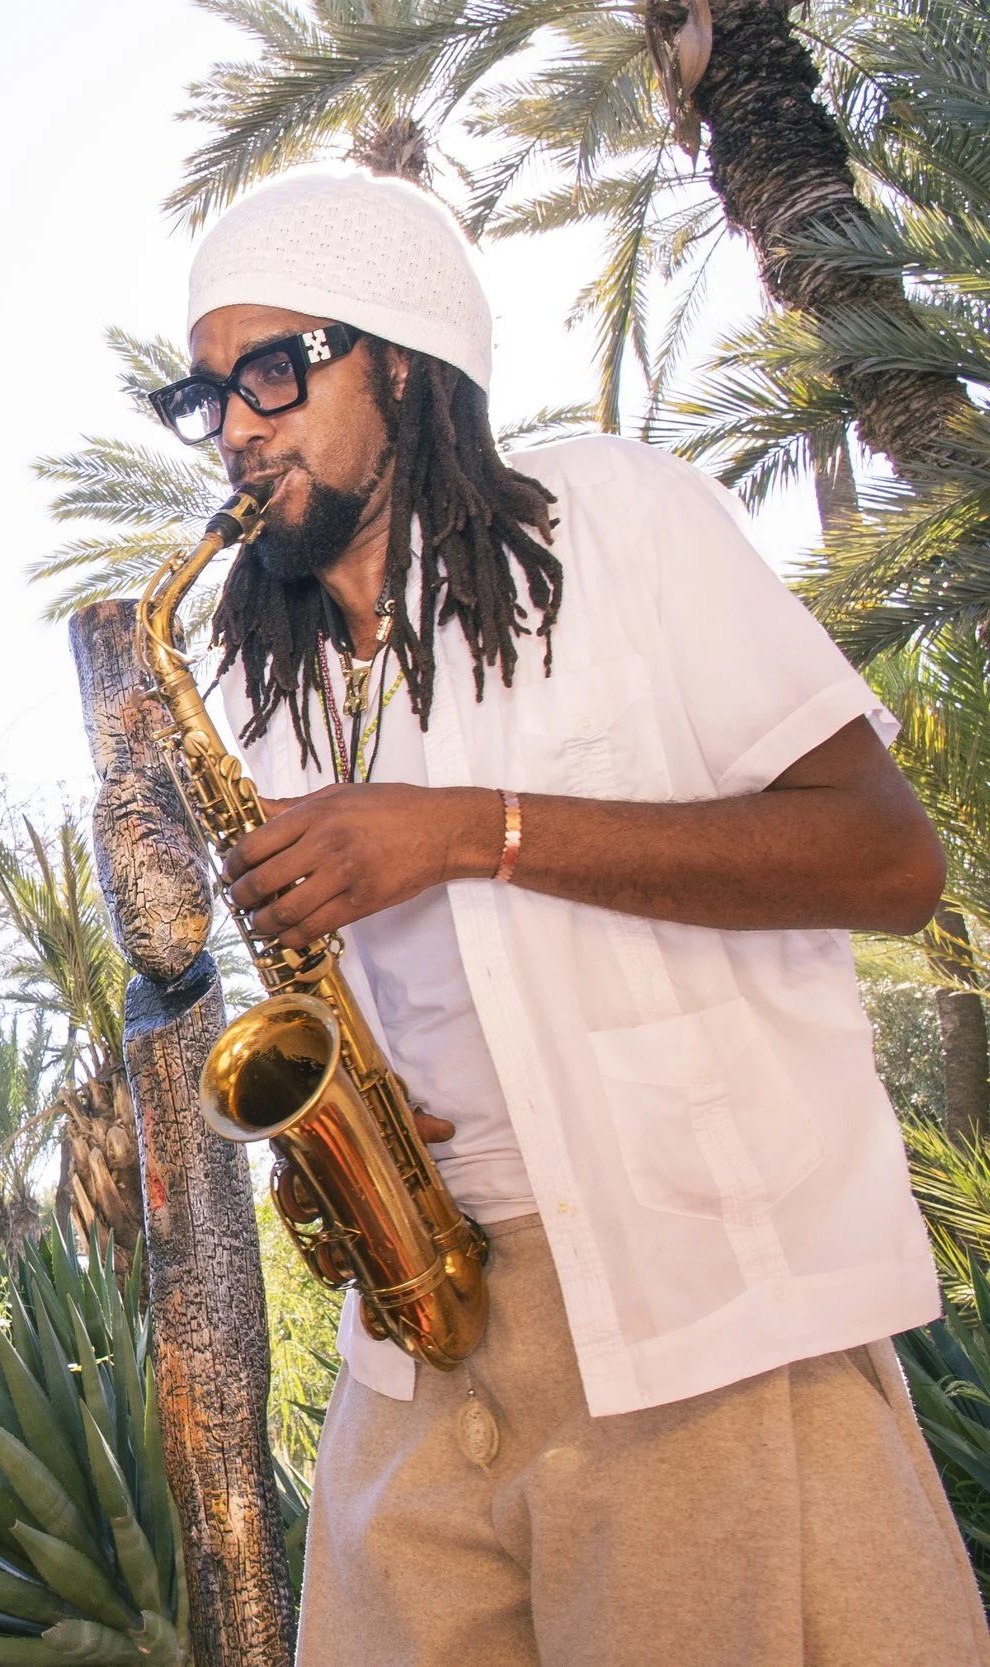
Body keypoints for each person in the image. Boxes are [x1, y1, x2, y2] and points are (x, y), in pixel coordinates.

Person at [153, 168, 989, 1665]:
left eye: (272, 369)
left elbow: (885, 857)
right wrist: (342, 1154)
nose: (235, 424)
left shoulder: (613, 520)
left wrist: (471, 833)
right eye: (207, 392)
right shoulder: (259, 684)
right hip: (423, 1341)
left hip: (691, 1322)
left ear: (400, 362)